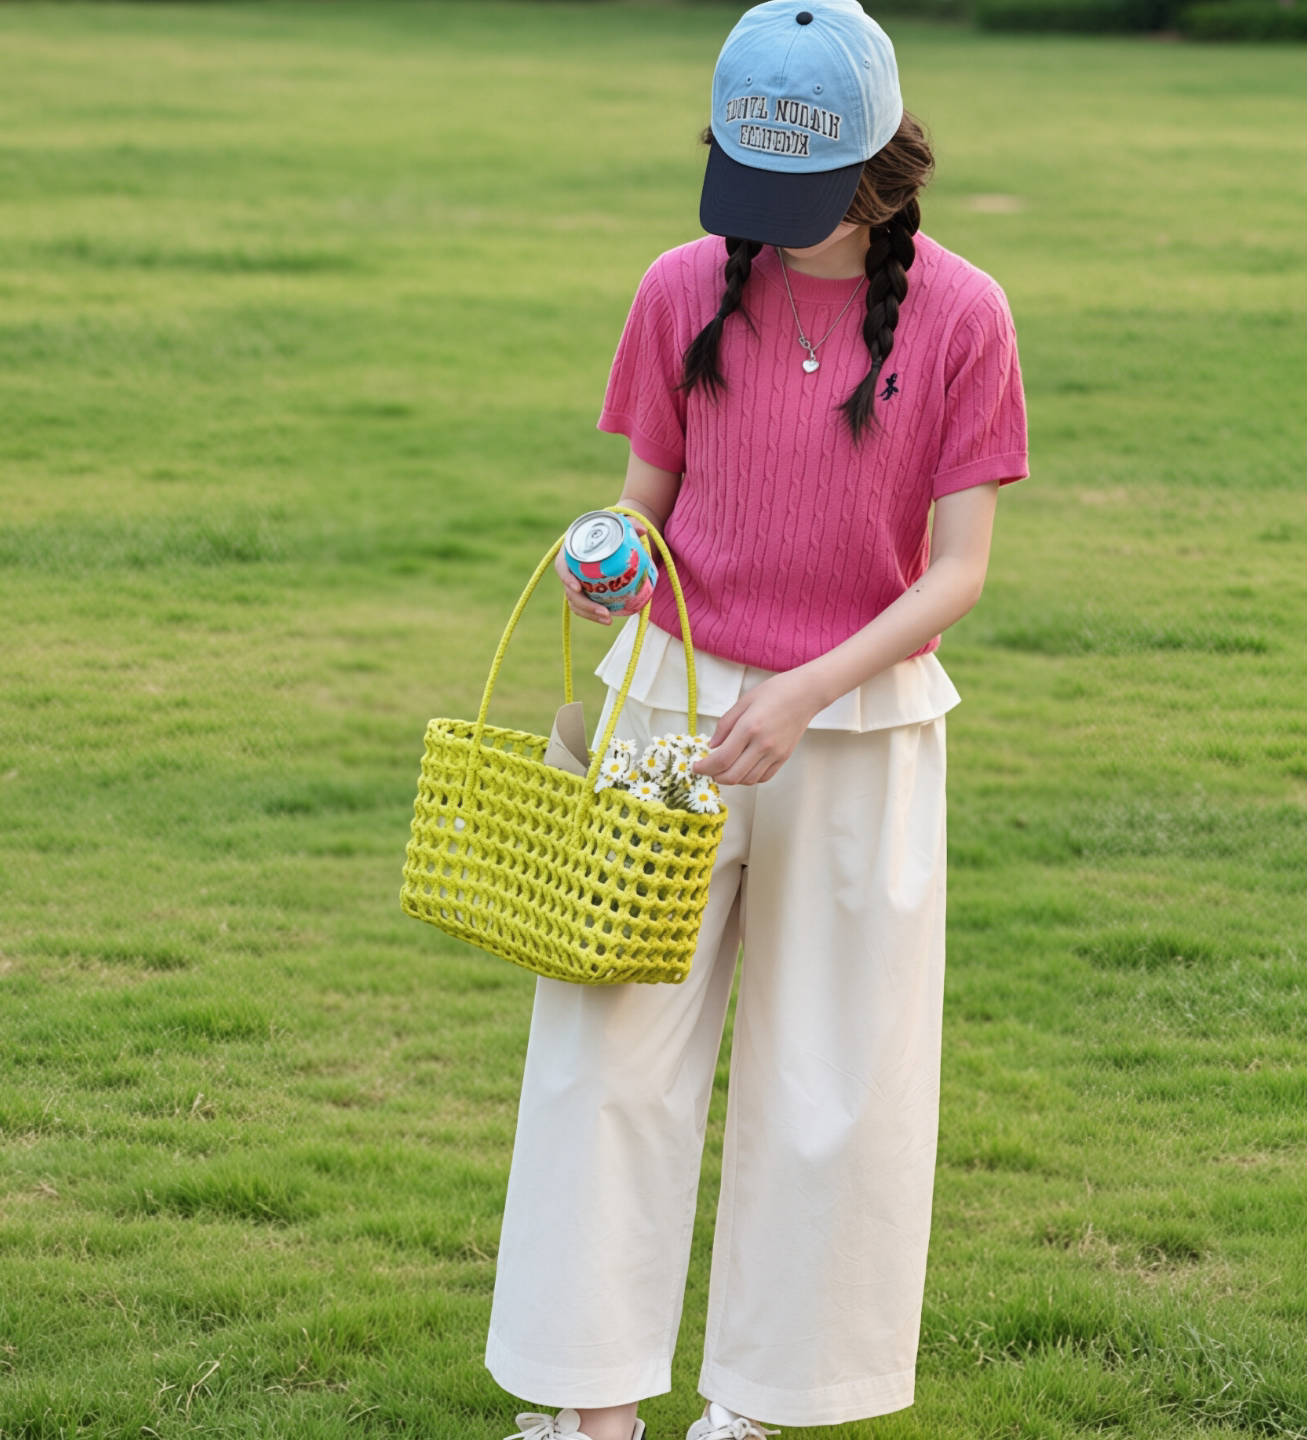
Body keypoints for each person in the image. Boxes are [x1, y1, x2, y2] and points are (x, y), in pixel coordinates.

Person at [487, 2, 1027, 1436]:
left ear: (880, 166)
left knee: (832, 1090)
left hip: (859, 731)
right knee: (605, 1056)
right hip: (664, 711)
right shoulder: (679, 287)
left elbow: (961, 570)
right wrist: (607, 558)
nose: (772, 228)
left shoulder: (966, 315)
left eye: (805, 198)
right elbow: (644, 500)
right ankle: (582, 1405)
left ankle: (764, 1408)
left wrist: (805, 689)